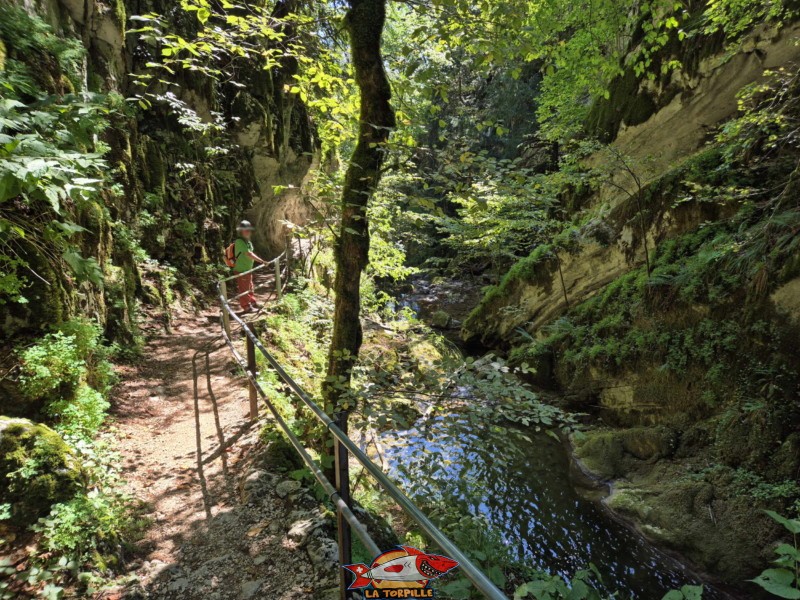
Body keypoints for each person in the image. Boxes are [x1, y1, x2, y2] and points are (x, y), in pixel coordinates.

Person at [232, 220, 267, 312]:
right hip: (241, 269)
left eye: (249, 230)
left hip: (247, 269)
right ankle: (246, 306)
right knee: (244, 289)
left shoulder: (247, 242)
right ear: (241, 231)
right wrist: (262, 261)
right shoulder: (239, 242)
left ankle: (252, 302)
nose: (248, 232)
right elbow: (249, 254)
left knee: (250, 287)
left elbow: (250, 253)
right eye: (245, 230)